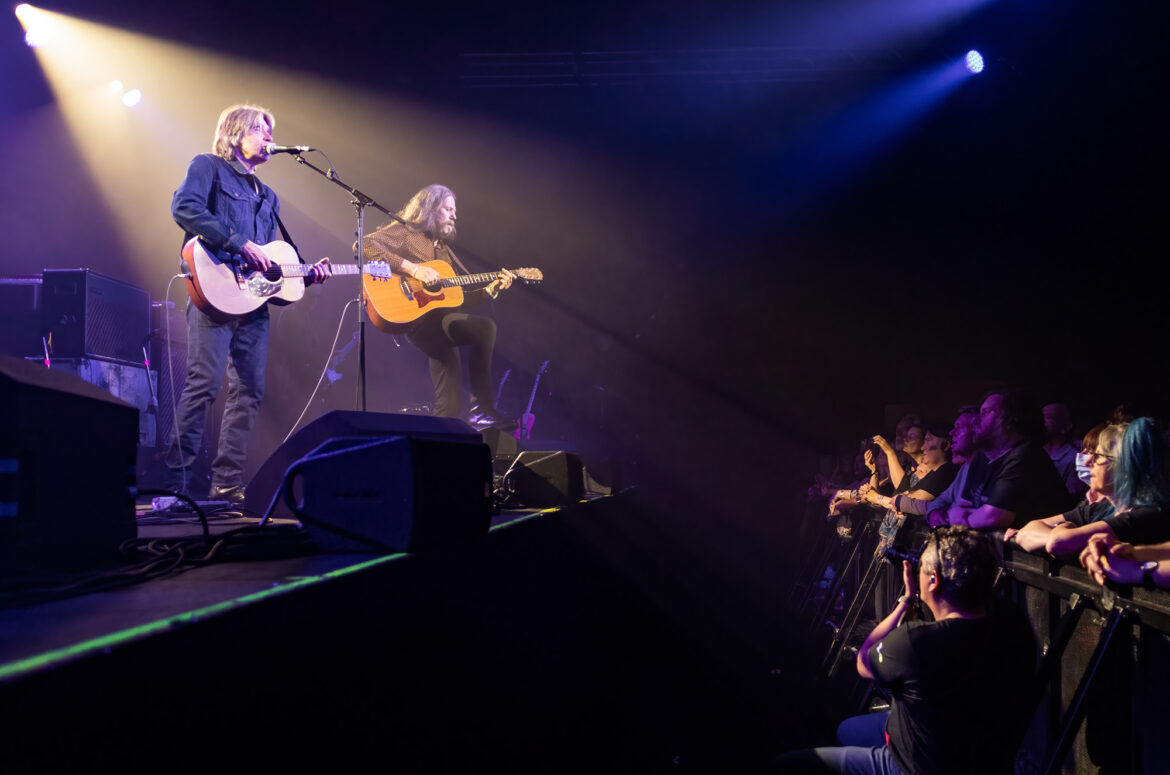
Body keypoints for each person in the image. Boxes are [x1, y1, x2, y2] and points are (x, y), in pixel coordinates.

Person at [165, 104, 332, 502]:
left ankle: (227, 483)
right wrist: (239, 242)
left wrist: (306, 274)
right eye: (260, 130)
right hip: (213, 291)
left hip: (253, 304)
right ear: (235, 133)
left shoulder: (269, 196)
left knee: (249, 391)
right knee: (203, 385)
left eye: (270, 131)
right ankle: (179, 486)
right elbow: (184, 208)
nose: (270, 138)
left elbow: (268, 261)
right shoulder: (207, 166)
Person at [773, 527, 1037, 774]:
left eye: (921, 567)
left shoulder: (915, 640)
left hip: (918, 766)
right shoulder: (1014, 623)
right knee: (847, 730)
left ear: (934, 580)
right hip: (980, 757)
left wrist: (904, 602)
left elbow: (864, 662)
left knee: (790, 765)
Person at [362, 185, 516, 429]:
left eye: (454, 210)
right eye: (448, 209)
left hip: (440, 323)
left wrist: (489, 290)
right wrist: (413, 269)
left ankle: (442, 449)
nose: (454, 215)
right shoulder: (407, 232)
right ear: (430, 209)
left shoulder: (446, 252)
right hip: (417, 320)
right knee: (485, 328)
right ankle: (481, 409)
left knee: (449, 407)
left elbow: (456, 298)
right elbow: (365, 245)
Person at [943, 389, 1073, 531]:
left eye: (986, 412)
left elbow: (992, 517)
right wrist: (970, 516)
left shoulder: (1026, 455)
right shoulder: (981, 458)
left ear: (1011, 420)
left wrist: (962, 520)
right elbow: (961, 506)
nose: (976, 419)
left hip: (1029, 551)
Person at [1043, 402, 1088, 497]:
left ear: (1064, 426)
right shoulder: (1038, 452)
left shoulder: (1075, 457)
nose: (1043, 422)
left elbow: (1071, 494)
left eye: (1048, 417)